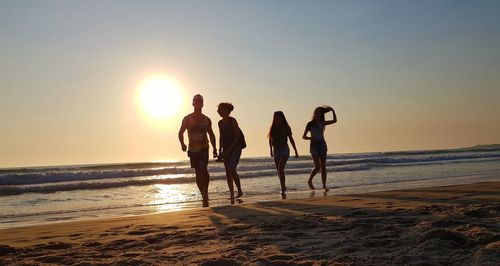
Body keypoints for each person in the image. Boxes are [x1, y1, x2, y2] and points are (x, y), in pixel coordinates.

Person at [178, 94, 217, 206]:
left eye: (200, 101)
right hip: (193, 149)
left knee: (204, 168)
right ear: (193, 103)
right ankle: (203, 193)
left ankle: (206, 192)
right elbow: (180, 132)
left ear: (203, 104)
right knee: (197, 172)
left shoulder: (207, 120)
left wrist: (215, 148)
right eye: (196, 101)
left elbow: (211, 134)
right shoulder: (187, 119)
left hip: (204, 147)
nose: (198, 103)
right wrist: (182, 144)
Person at [302, 105, 337, 191]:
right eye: (316, 112)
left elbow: (334, 120)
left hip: (322, 145)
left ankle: (324, 185)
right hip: (314, 146)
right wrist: (311, 138)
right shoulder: (310, 124)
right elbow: (304, 136)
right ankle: (310, 180)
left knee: (323, 166)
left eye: (319, 112)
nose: (317, 113)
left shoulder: (322, 123)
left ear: (321, 114)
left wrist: (332, 111)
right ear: (314, 113)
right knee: (317, 166)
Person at [217, 102, 244, 200]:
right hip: (226, 148)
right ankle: (232, 194)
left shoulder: (232, 121)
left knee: (232, 169)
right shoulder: (220, 123)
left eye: (220, 109)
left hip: (236, 148)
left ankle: (239, 190)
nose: (218, 111)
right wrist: (220, 150)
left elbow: (237, 135)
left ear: (226, 110)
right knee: (228, 172)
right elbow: (221, 137)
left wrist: (230, 148)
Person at [268, 111, 299, 195]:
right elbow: (270, 139)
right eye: (276, 117)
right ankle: (283, 186)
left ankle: (283, 187)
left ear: (282, 118)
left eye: (279, 117)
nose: (277, 119)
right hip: (276, 149)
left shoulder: (285, 127)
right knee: (278, 170)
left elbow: (291, 139)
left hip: (284, 149)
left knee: (280, 168)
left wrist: (295, 150)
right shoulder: (273, 127)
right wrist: (270, 150)